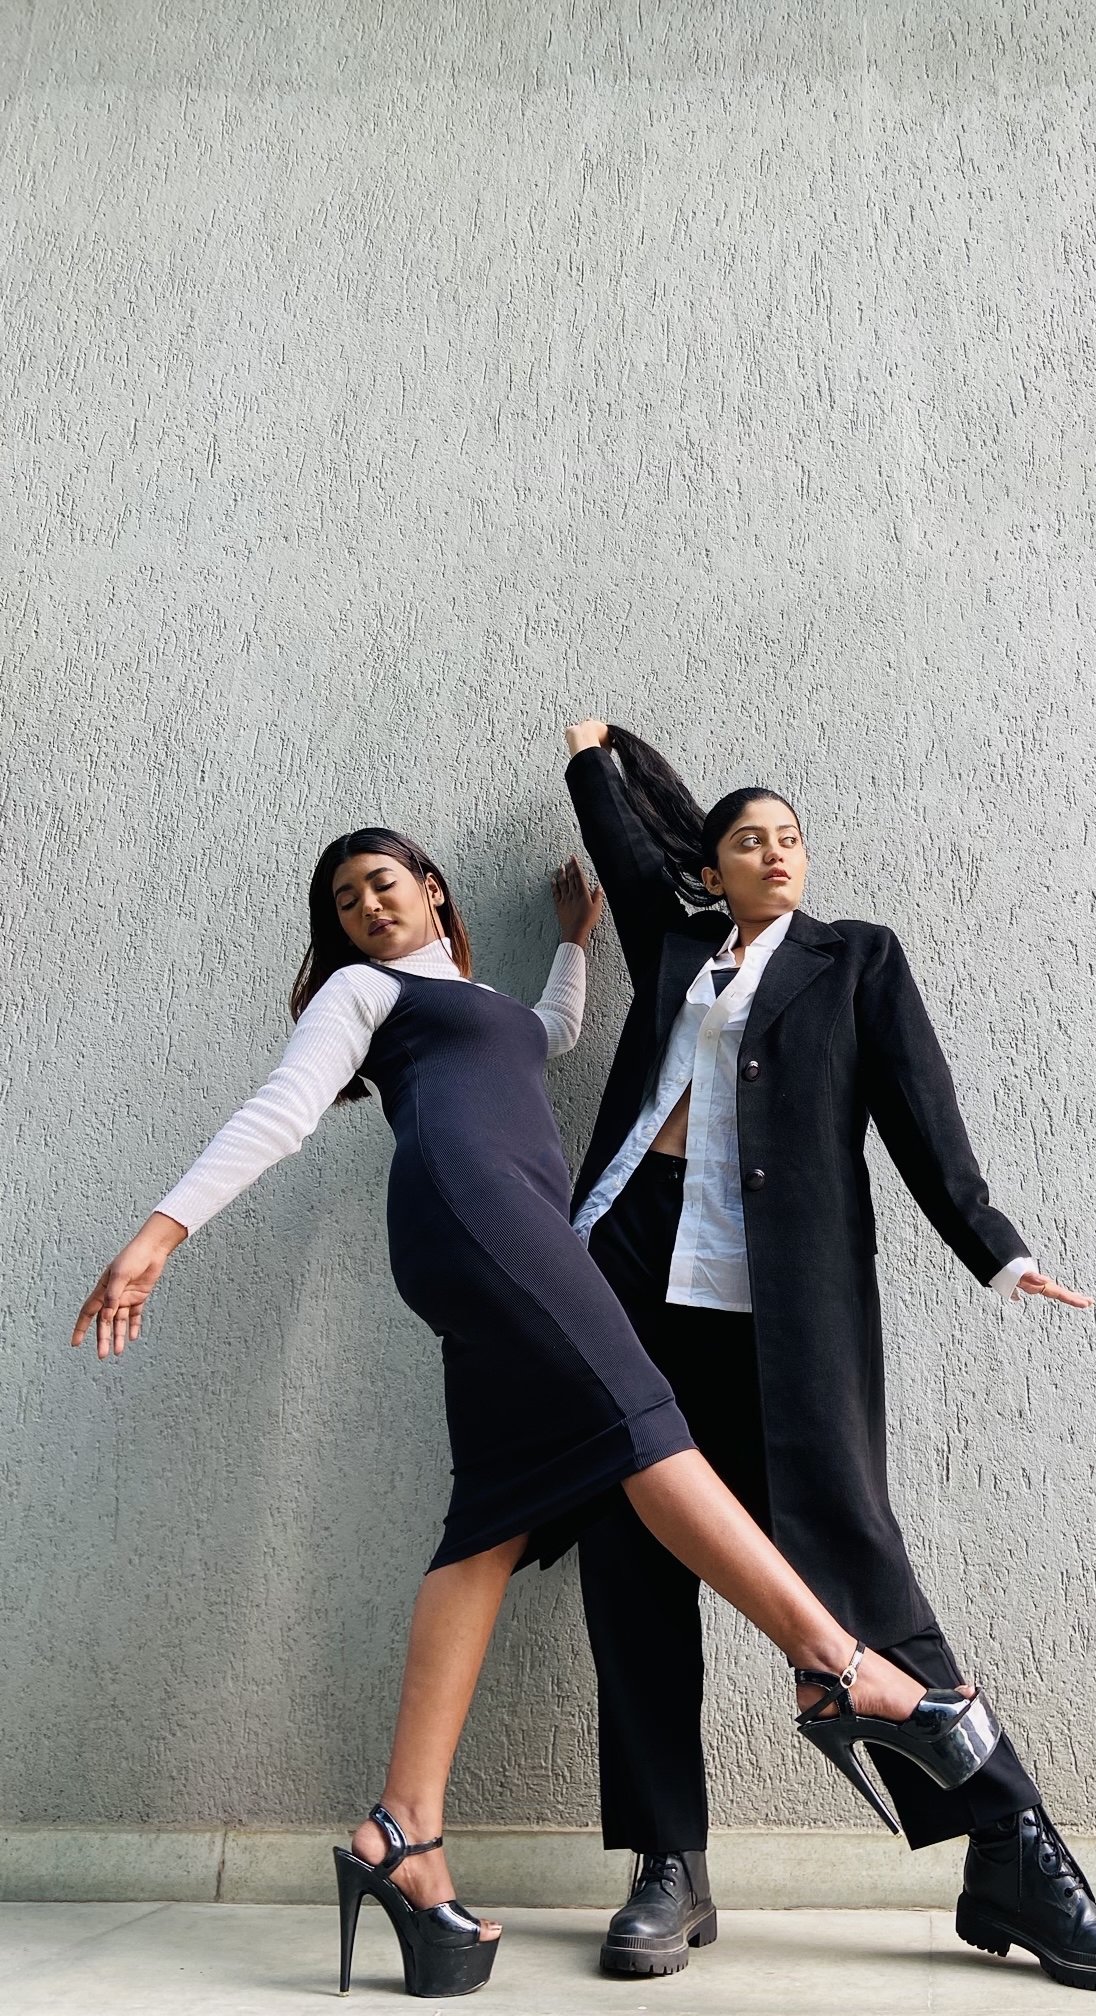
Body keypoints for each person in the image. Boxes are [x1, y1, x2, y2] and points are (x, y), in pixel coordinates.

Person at [71, 827, 1002, 2000]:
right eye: (346, 900)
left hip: (496, 1225)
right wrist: (159, 1236)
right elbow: (283, 1109)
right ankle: (835, 1664)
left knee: (488, 1524)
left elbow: (552, 1031)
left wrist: (572, 945)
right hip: (477, 1213)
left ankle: (402, 1834)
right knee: (644, 1419)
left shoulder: (482, 1005)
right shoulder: (363, 995)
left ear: (432, 892)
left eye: (383, 883)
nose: (367, 906)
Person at [563, 723, 1096, 1996]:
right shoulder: (675, 945)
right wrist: (591, 755)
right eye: (748, 841)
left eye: (789, 838)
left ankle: (1009, 1846)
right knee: (631, 1565)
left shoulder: (856, 961)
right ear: (713, 870)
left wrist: (995, 1248)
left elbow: (920, 1118)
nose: (776, 855)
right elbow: (630, 854)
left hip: (779, 1304)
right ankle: (669, 1862)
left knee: (848, 1559)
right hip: (628, 1266)